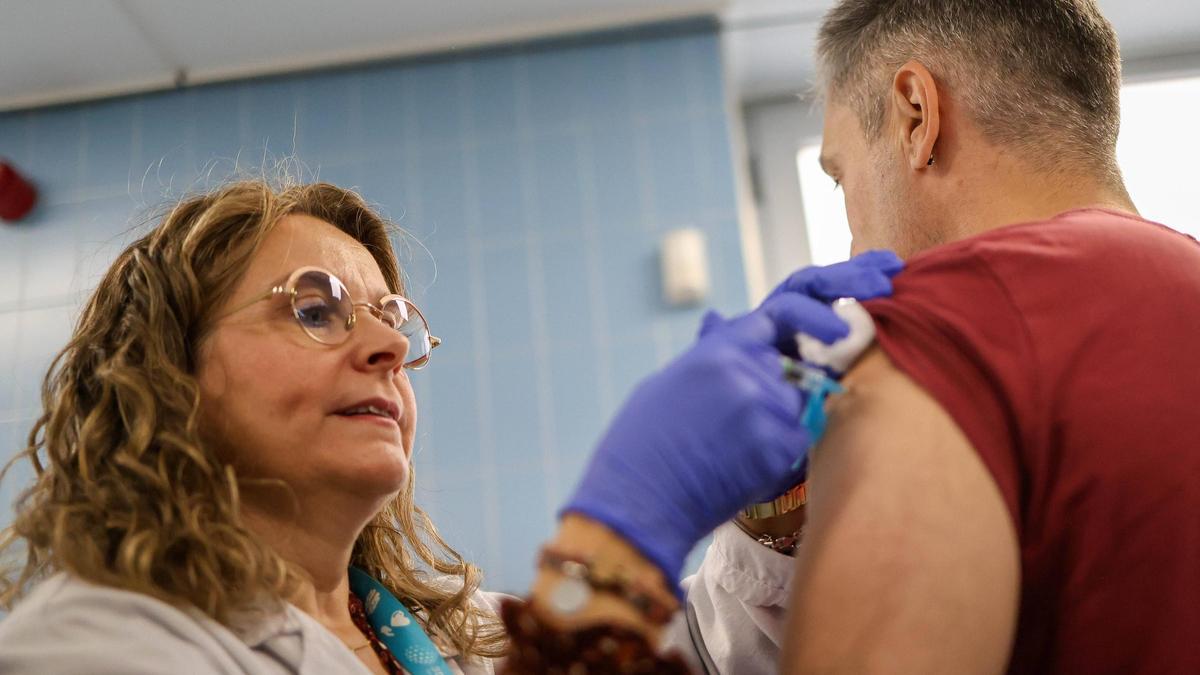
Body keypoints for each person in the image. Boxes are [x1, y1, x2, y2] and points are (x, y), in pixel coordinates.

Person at [511, 0, 1200, 673]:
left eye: (840, 176)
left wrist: (614, 542)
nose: (851, 239)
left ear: (916, 114)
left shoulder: (939, 341)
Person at [0, 179, 902, 674]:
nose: (390, 343)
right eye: (317, 310)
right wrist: (628, 526)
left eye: (394, 314)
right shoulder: (90, 646)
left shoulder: (449, 635)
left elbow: (703, 657)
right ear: (168, 374)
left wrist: (774, 505)